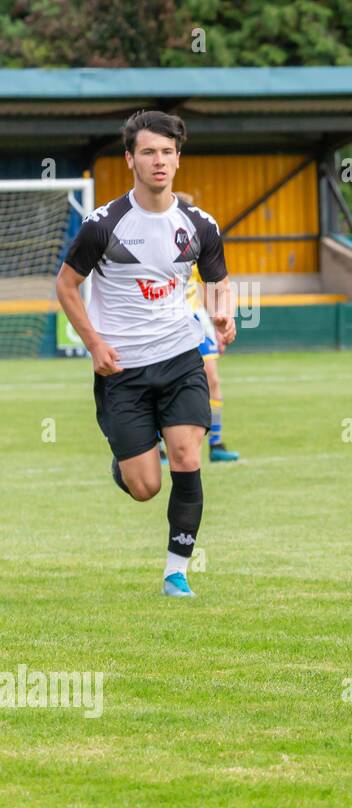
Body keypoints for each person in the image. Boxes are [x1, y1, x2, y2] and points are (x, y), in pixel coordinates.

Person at [54, 109, 234, 598]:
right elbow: (67, 285)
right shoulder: (103, 225)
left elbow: (217, 282)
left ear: (179, 159)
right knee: (145, 487)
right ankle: (126, 461)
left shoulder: (199, 224)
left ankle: (176, 572)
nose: (160, 161)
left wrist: (224, 313)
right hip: (123, 369)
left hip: (180, 358)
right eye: (149, 152)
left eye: (168, 152)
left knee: (185, 455)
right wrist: (94, 344)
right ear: (130, 158)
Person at [174, 191, 239, 463]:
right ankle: (160, 446)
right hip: (166, 323)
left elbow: (214, 286)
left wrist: (221, 321)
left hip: (196, 321)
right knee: (163, 385)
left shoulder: (197, 246)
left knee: (212, 380)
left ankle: (216, 443)